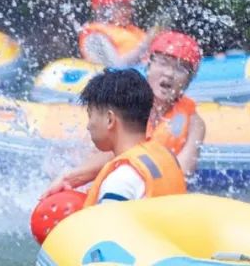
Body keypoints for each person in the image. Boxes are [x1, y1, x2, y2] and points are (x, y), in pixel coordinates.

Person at [43, 31, 205, 196]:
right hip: (113, 184)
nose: (169, 73)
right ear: (149, 64)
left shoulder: (193, 122)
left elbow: (181, 174)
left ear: (190, 78)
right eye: (163, 63)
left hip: (151, 191)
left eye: (180, 68)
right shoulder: (125, 101)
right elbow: (103, 153)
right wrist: (70, 178)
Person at [74, 69, 186, 205]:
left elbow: (107, 226)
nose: (88, 125)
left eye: (90, 115)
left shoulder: (120, 182)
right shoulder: (166, 156)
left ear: (110, 120)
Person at [78, 0, 156, 67]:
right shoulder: (94, 37)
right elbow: (113, 69)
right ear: (103, 9)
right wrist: (145, 45)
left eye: (129, 6)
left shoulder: (132, 30)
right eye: (121, 6)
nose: (128, 11)